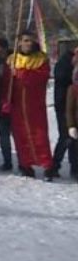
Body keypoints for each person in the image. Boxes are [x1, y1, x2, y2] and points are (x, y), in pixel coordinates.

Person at [3, 32, 55, 180]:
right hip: (18, 106)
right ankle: (26, 166)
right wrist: (6, 100)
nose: (29, 44)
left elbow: (42, 77)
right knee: (21, 137)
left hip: (35, 105)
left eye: (31, 41)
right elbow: (6, 84)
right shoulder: (12, 60)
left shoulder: (41, 59)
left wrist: (22, 74)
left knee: (40, 136)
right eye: (25, 41)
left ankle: (47, 167)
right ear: (19, 43)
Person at [53, 46, 78, 180]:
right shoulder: (65, 62)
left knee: (74, 140)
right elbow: (61, 77)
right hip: (64, 105)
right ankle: (54, 166)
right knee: (66, 137)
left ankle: (75, 168)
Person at [0, 38, 15, 171]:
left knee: (17, 134)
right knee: (3, 135)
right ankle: (7, 161)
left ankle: (24, 161)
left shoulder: (14, 60)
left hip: (14, 102)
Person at [65, 71, 78, 182]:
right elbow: (69, 110)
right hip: (76, 125)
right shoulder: (73, 89)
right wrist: (71, 126)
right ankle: (75, 170)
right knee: (74, 149)